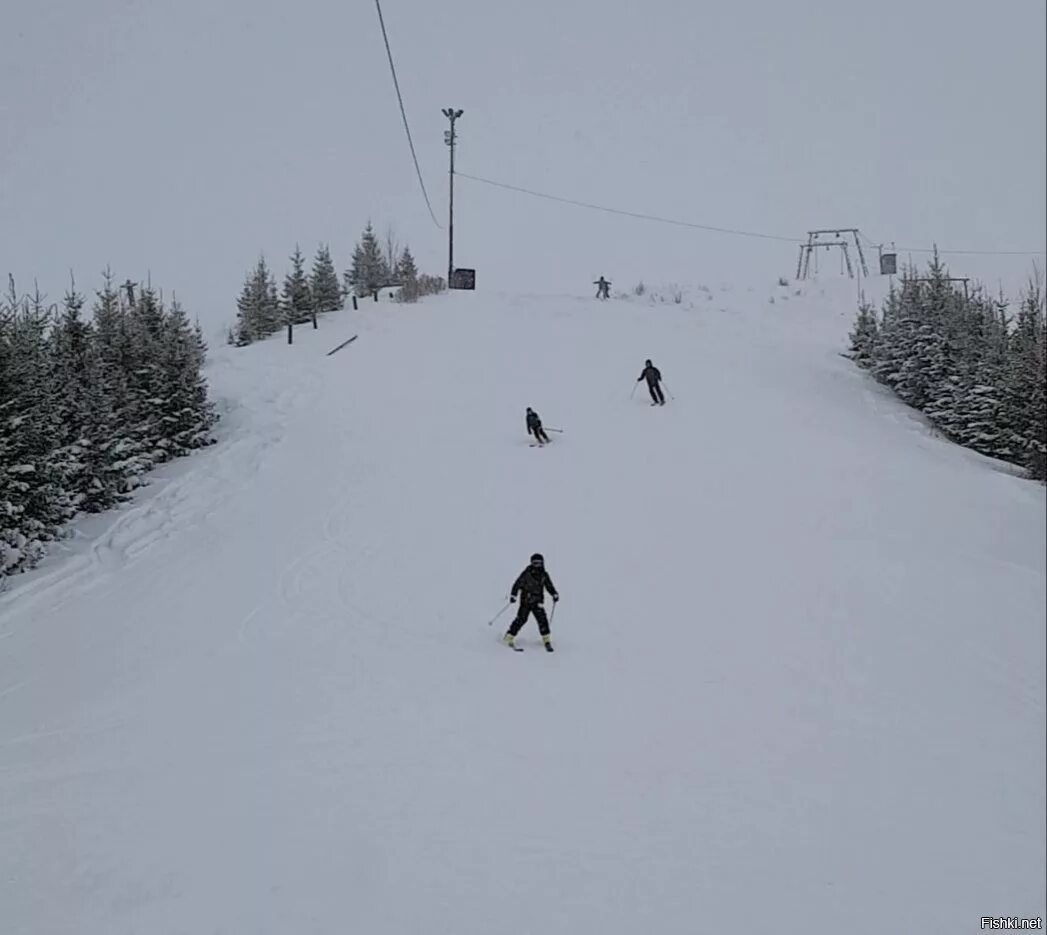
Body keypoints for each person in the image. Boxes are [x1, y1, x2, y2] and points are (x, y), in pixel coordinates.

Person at [504, 553, 559, 652]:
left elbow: (549, 586)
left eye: (539, 563)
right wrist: (513, 595)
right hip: (526, 601)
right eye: (535, 563)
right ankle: (509, 636)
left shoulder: (544, 575)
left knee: (542, 620)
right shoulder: (526, 573)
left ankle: (546, 640)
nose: (537, 565)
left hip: (538, 602)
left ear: (542, 563)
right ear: (531, 563)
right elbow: (517, 584)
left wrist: (554, 594)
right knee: (521, 619)